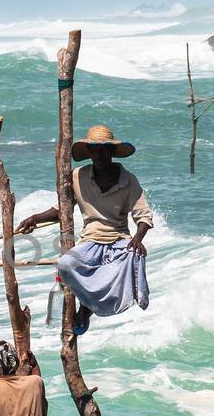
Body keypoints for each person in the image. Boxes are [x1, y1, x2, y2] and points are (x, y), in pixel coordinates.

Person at [16, 123, 152, 335]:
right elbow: (62, 209)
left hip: (119, 239)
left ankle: (88, 308)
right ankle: (88, 306)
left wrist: (138, 237)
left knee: (136, 258)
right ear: (88, 152)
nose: (98, 155)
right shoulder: (78, 176)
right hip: (90, 240)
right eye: (94, 150)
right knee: (66, 265)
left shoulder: (128, 180)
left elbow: (143, 215)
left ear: (111, 152)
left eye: (103, 150)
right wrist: (35, 218)